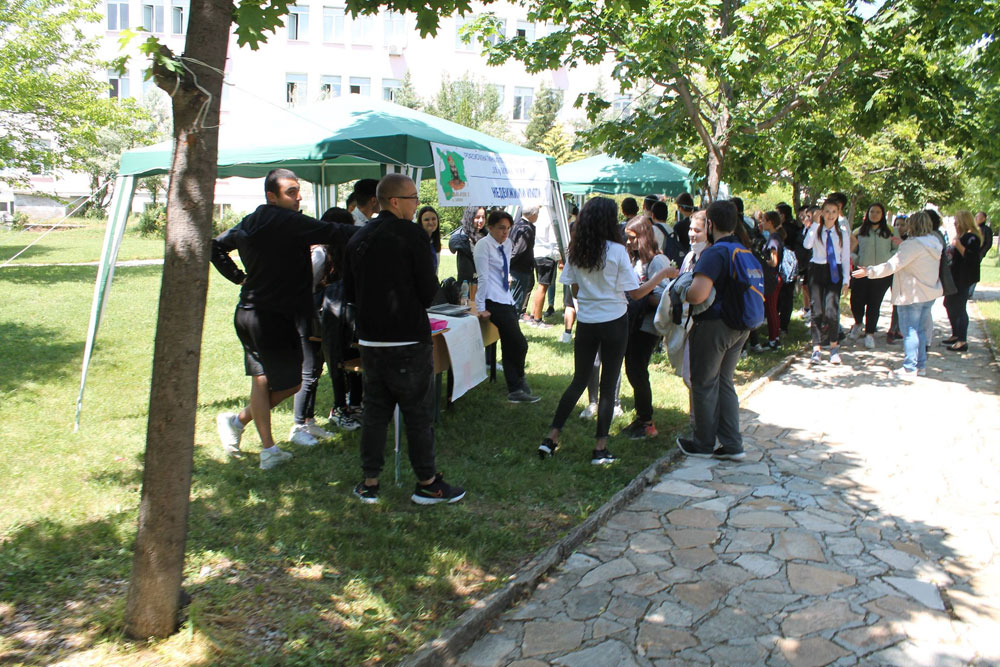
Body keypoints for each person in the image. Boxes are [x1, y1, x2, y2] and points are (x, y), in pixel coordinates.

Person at [211, 168, 355, 470]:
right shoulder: (286, 221)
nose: (298, 197)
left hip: (248, 313)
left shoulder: (250, 221)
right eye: (291, 192)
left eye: (298, 190)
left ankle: (257, 440)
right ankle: (245, 429)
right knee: (290, 383)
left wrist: (239, 277)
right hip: (270, 317)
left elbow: (215, 246)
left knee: (263, 380)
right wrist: (376, 229)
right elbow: (334, 231)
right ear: (271, 196)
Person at [343, 173, 466, 505]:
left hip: (371, 341)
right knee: (417, 414)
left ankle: (369, 483)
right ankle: (427, 483)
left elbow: (350, 293)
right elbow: (428, 292)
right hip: (407, 340)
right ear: (395, 201)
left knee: (375, 412)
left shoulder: (358, 237)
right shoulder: (412, 235)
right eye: (413, 198)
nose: (417, 204)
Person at [537, 197, 674, 465]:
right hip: (614, 322)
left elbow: (575, 289)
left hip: (587, 323)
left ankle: (551, 438)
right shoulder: (617, 251)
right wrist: (662, 276)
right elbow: (636, 293)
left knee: (578, 381)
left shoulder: (576, 250)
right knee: (608, 386)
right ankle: (600, 449)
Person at [675, 200, 753, 461]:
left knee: (704, 383)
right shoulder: (742, 248)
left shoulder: (714, 253)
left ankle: (703, 444)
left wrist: (681, 291)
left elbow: (698, 295)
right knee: (724, 381)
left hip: (714, 325)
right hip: (740, 326)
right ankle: (732, 444)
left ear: (710, 224)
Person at [851, 211, 942, 378]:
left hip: (911, 294)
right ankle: (920, 365)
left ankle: (909, 368)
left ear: (912, 225)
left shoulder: (912, 245)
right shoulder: (935, 243)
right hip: (929, 293)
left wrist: (869, 271)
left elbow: (892, 266)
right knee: (921, 331)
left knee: (910, 331)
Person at [474, 210, 539, 403]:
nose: (505, 232)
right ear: (490, 227)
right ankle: (518, 381)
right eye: (501, 228)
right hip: (492, 300)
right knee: (519, 343)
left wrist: (506, 280)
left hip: (506, 297)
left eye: (508, 228)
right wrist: (480, 307)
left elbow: (504, 269)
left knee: (512, 343)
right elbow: (483, 277)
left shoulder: (507, 244)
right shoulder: (483, 246)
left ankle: (516, 386)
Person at [622, 217, 676, 440]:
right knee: (633, 370)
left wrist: (640, 294)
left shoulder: (658, 261)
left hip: (647, 325)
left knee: (637, 370)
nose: (629, 242)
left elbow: (665, 297)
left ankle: (647, 423)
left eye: (632, 237)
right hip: (634, 322)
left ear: (644, 236)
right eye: (627, 237)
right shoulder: (637, 259)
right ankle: (642, 418)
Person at [319, 206, 363, 432]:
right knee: (337, 362)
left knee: (352, 358)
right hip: (329, 319)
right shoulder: (321, 254)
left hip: (346, 318)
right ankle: (339, 408)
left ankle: (354, 404)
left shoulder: (348, 252)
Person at [803, 198, 851, 365]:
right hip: (817, 270)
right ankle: (816, 348)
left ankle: (834, 347)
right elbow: (807, 245)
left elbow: (845, 257)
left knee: (831, 311)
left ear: (838, 214)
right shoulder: (816, 230)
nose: (830, 215)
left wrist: (846, 280)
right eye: (827, 211)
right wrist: (815, 224)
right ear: (822, 213)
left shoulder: (842, 233)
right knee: (817, 311)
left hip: (834, 271)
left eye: (834, 212)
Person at [849, 203, 898, 349]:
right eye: (872, 212)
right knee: (856, 301)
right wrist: (857, 259)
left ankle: (870, 333)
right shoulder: (859, 231)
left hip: (881, 274)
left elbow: (897, 249)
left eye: (877, 212)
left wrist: (888, 260)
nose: (874, 215)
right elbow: (851, 249)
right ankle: (858, 323)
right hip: (861, 272)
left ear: (882, 214)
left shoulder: (891, 231)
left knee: (874, 304)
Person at [942, 210, 983, 351]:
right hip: (955, 276)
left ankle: (962, 340)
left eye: (957, 221)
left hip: (964, 277)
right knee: (949, 304)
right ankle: (956, 334)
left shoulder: (972, 237)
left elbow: (972, 257)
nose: (955, 223)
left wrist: (958, 245)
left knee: (959, 307)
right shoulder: (962, 236)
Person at [526, 208, 561, 327]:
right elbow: (554, 238)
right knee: (542, 287)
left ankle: (533, 315)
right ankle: (537, 319)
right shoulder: (552, 214)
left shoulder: (539, 213)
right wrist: (559, 256)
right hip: (547, 254)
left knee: (539, 287)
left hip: (537, 253)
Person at [759, 211, 785, 349]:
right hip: (774, 277)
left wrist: (762, 261)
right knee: (772, 308)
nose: (762, 223)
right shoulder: (774, 237)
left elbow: (774, 262)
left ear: (770, 222)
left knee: (771, 309)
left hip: (772, 278)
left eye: (764, 220)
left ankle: (773, 340)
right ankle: (775, 337)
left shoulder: (773, 240)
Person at [508, 206, 538, 315]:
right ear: (533, 214)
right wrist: (508, 263)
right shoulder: (526, 229)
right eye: (537, 214)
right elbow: (519, 250)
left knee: (512, 299)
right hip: (520, 269)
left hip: (514, 267)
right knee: (516, 302)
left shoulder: (516, 224)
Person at [449, 205, 486, 286]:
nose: (481, 220)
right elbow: (452, 245)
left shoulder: (487, 236)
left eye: (483, 217)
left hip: (484, 282)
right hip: (466, 283)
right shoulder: (461, 235)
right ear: (470, 217)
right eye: (477, 217)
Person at [775, 202, 798, 333]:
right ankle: (783, 324)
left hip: (785, 265)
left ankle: (782, 325)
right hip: (793, 265)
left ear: (782, 215)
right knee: (786, 295)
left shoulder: (784, 229)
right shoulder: (795, 226)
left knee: (784, 295)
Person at [969, 211, 992, 299]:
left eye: (978, 217)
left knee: (973, 272)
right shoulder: (972, 228)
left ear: (983, 219)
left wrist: (981, 253)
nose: (975, 218)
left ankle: (970, 292)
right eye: (975, 217)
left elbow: (988, 243)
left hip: (978, 254)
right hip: (969, 253)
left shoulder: (986, 230)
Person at [417, 205, 442, 274]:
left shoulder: (434, 242)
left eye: (433, 219)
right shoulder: (417, 243)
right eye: (426, 220)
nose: (431, 222)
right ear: (420, 222)